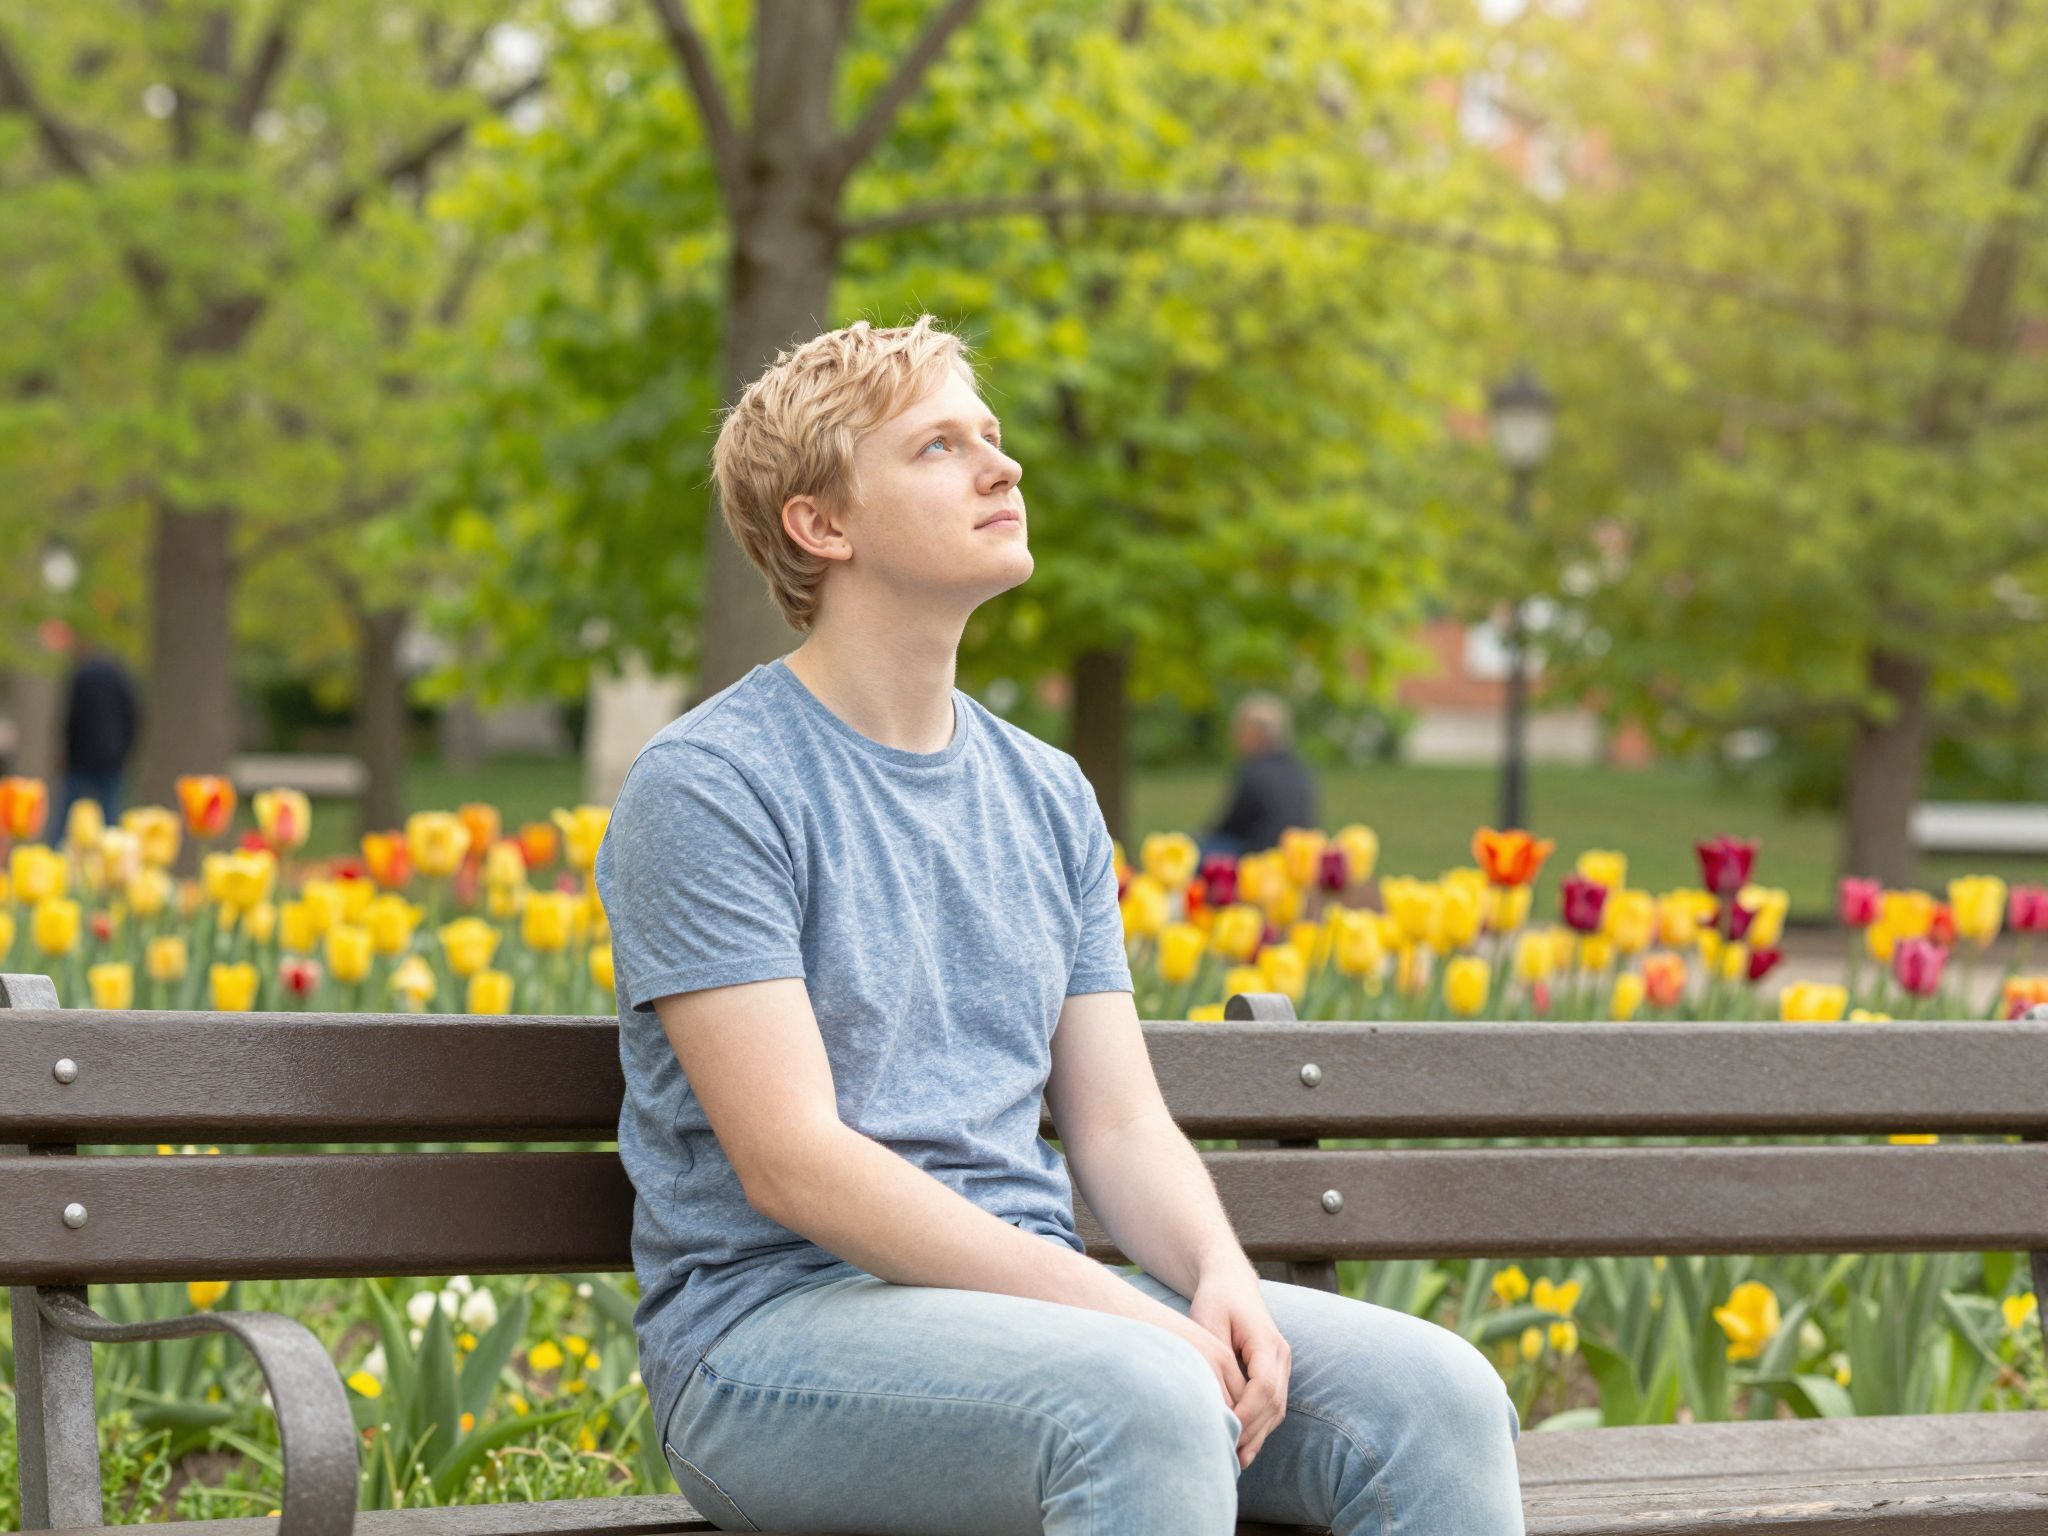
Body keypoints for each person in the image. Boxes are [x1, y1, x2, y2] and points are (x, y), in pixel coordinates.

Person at [593, 317, 1523, 1535]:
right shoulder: (712, 785)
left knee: (1439, 1395)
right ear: (824, 526)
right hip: (771, 1341)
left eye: (990, 435)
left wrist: (1215, 1277)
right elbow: (793, 1161)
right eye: (937, 445)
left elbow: (1121, 1124)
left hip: (1038, 1311)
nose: (1002, 466)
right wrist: (1121, 1314)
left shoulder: (1043, 791)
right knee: (1138, 1396)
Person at [1200, 692, 1318, 861]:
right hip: (1295, 855)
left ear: (1254, 733)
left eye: (1239, 728)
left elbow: (1230, 825)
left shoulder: (1254, 772)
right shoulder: (1299, 769)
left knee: (1196, 847)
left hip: (1255, 855)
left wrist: (1199, 835)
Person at [53, 626, 141, 832]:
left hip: (81, 758)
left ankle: (54, 854)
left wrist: (67, 754)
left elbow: (72, 720)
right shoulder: (121, 676)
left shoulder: (81, 675)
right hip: (113, 757)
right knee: (110, 818)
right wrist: (126, 751)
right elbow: (133, 716)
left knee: (66, 817)